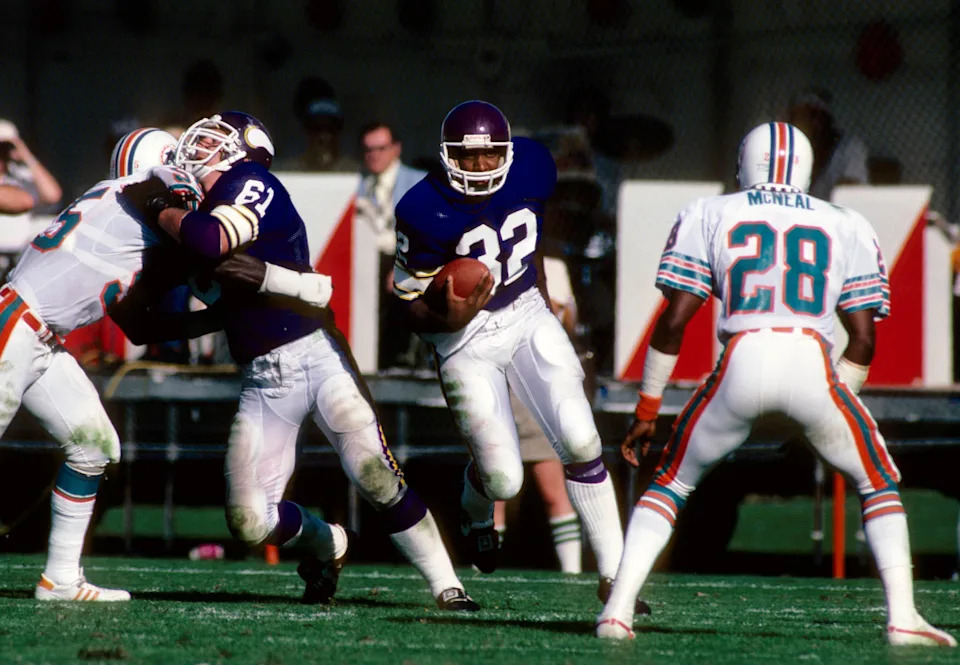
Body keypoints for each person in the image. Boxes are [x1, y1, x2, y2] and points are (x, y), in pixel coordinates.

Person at [595, 121, 956, 648]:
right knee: (878, 483)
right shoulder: (845, 222)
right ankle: (902, 618)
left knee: (670, 483)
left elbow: (673, 323)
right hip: (810, 358)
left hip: (743, 355)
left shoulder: (711, 212)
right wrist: (827, 411)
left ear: (745, 164)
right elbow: (863, 339)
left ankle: (617, 611)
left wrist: (647, 409)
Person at [124, 111, 479, 611]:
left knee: (374, 472)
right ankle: (329, 542)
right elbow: (141, 324)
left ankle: (447, 585)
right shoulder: (184, 219)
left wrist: (159, 208)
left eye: (217, 136)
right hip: (262, 377)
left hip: (316, 354)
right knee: (250, 521)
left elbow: (210, 241)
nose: (200, 143)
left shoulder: (249, 181)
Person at [392, 100, 648, 613]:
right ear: (447, 156)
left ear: (507, 152)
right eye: (469, 156)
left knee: (581, 438)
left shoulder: (533, 165)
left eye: (490, 155)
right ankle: (475, 509)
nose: (480, 165)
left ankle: (614, 578)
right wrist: (446, 316)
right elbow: (406, 304)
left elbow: (534, 243)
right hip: (463, 339)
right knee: (504, 478)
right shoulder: (421, 208)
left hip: (526, 310)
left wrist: (547, 311)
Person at [493, 256, 582, 573]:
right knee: (493, 487)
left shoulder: (552, 266)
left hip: (535, 380)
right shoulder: (491, 256)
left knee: (551, 486)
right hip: (498, 376)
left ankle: (572, 572)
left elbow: (562, 319)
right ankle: (485, 567)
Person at [354, 120, 427, 369]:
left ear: (396, 149)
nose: (373, 155)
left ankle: (399, 359)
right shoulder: (356, 184)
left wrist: (401, 264)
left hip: (405, 258)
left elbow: (426, 232)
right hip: (367, 260)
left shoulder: (419, 181)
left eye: (380, 148)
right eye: (368, 149)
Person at [0, 118, 63, 281]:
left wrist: (26, 155)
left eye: (4, 149)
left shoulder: (21, 177)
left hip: (17, 262)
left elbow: (52, 195)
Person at [785, 88, 869, 200]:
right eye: (799, 118)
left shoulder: (850, 147)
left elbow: (851, 194)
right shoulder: (788, 150)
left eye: (814, 116)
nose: (813, 124)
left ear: (826, 120)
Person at [274, 77, 358, 172]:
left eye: (330, 129)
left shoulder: (353, 171)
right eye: (318, 129)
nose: (324, 136)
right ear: (307, 131)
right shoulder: (290, 170)